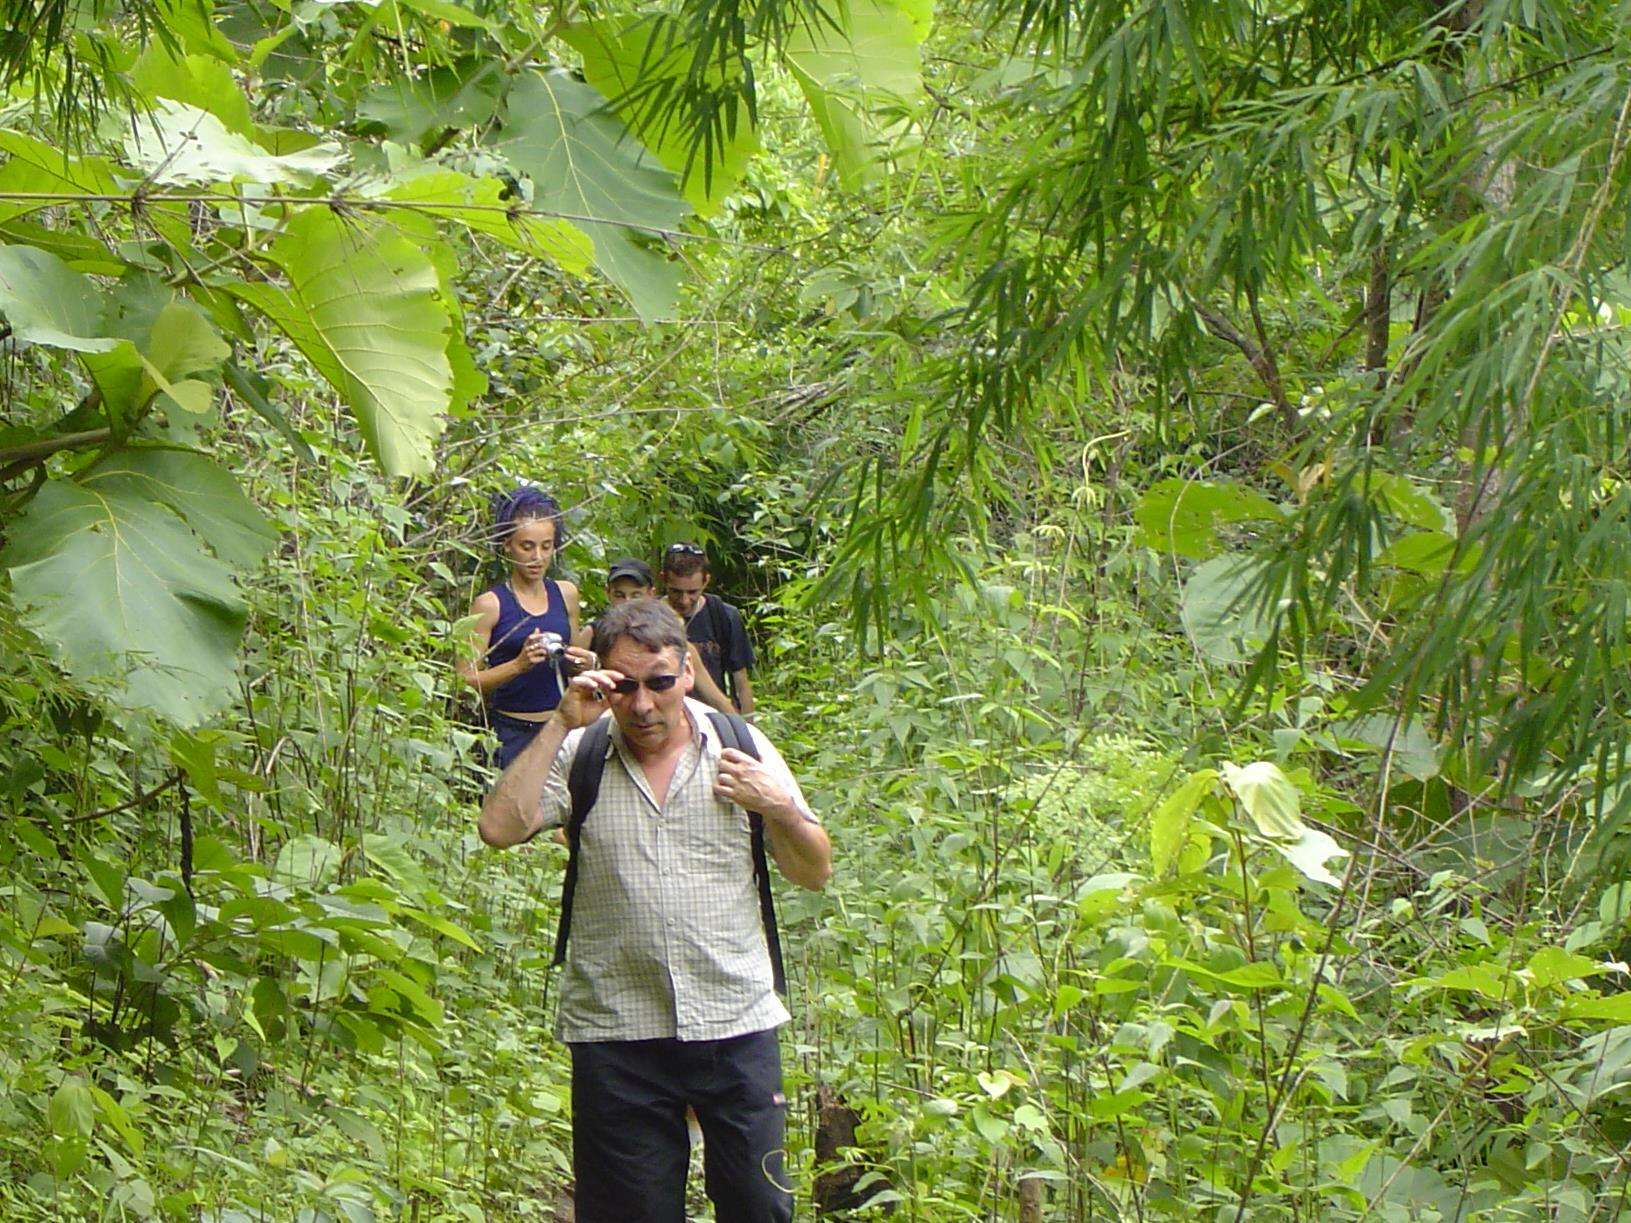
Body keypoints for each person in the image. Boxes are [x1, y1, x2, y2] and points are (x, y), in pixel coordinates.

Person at [478, 598, 832, 1223]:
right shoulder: (582, 751)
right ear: (602, 681)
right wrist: (560, 723)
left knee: (759, 1207)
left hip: (734, 1021)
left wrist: (777, 806)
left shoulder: (740, 746)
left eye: (660, 683)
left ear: (687, 672)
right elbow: (499, 828)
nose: (643, 704)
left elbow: (813, 872)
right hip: (618, 1031)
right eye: (625, 686)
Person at [457, 487, 595, 769]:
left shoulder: (566, 594)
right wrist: (518, 665)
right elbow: (463, 680)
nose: (537, 557)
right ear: (507, 545)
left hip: (561, 728)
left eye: (546, 546)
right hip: (510, 734)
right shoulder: (490, 605)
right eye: (527, 546)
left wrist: (587, 662)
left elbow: (572, 660)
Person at [573, 557, 737, 714]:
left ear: (650, 594)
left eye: (636, 595)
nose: (628, 602)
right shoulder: (593, 634)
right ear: (608, 593)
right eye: (620, 595)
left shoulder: (672, 642)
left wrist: (740, 728)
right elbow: (569, 679)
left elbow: (715, 698)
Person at [661, 542, 756, 716]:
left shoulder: (724, 616)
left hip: (713, 717)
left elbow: (741, 683)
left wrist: (746, 728)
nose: (684, 600)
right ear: (663, 580)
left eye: (692, 592)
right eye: (676, 592)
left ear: (706, 581)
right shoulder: (650, 617)